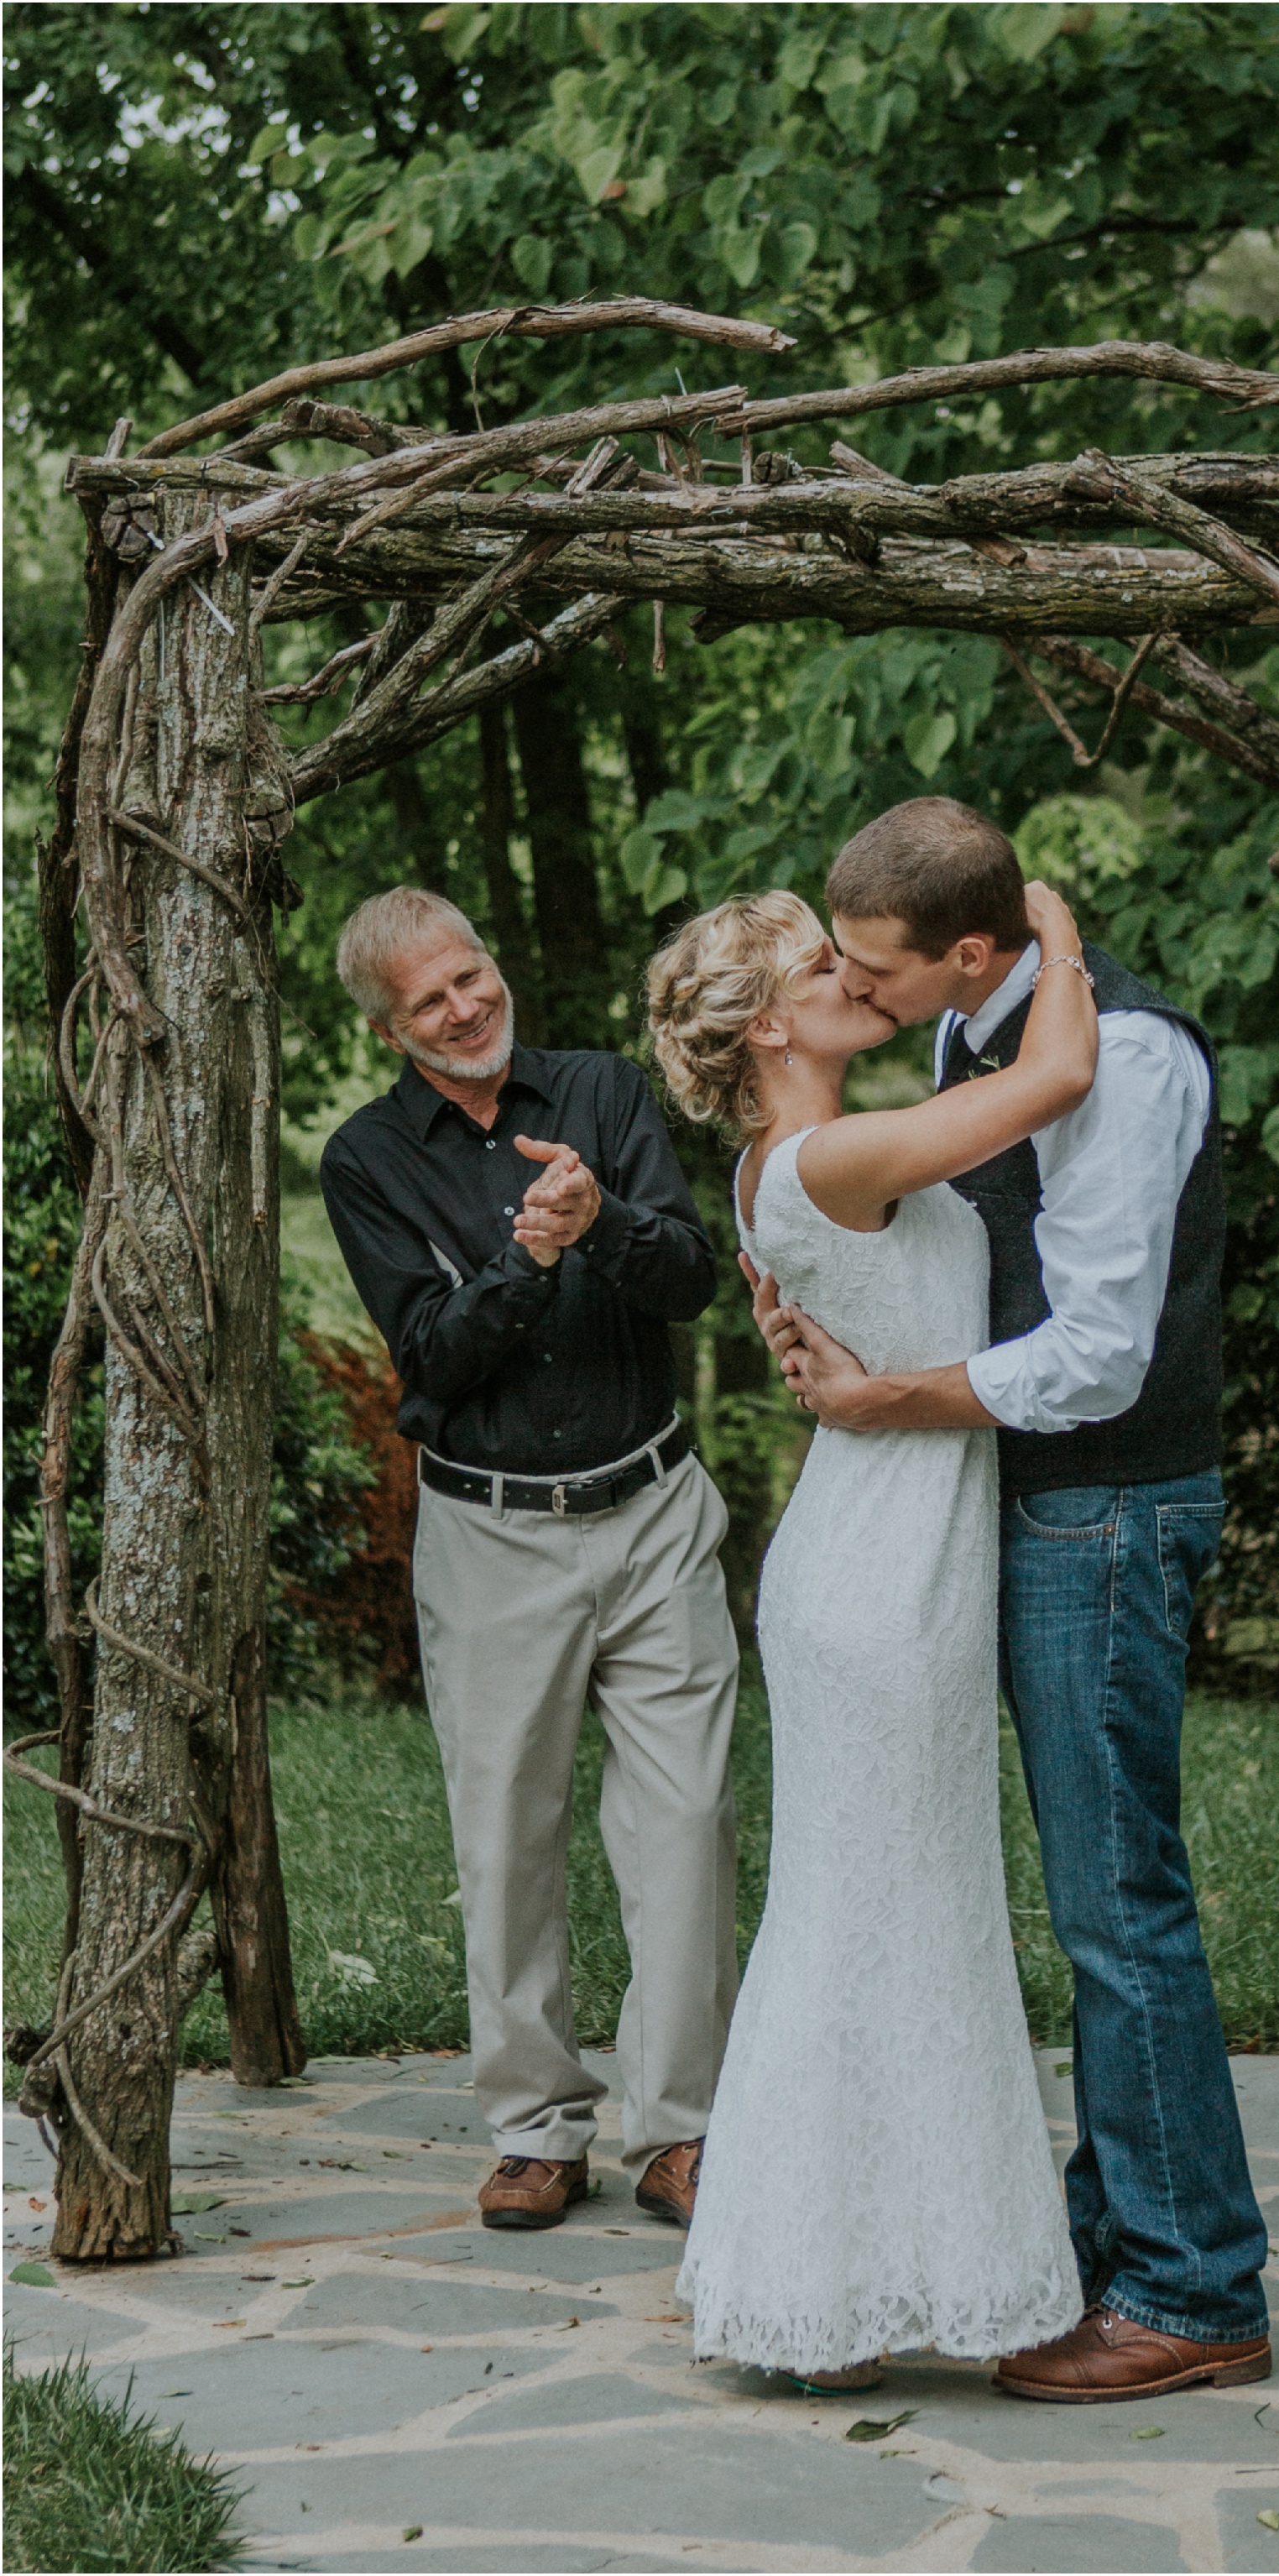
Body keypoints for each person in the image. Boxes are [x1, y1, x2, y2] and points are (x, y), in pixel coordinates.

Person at [755, 797, 1271, 2404]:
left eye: (873, 962)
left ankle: (1197, 2288)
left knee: (1119, 1906)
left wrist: (888, 1398)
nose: (851, 979)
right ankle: (1122, 2237)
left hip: (1108, 1503)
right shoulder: (984, 1028)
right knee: (1091, 1899)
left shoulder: (1116, 1051)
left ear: (967, 951)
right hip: (1035, 1503)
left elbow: (1100, 1351)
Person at [645, 879, 1096, 2391]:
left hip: (888, 1547)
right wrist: (1054, 927)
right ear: (770, 1024)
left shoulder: (797, 1158)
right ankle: (824, 2279)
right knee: (880, 1924)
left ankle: (844, 2272)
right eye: (817, 963)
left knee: (887, 1919)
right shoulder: (828, 1152)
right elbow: (1058, 1077)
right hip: (881, 1578)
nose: (852, 973)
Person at [320, 886, 739, 2238]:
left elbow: (687, 1274)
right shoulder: (368, 1159)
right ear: (392, 1025)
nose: (468, 1003)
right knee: (507, 1833)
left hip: (655, 1505)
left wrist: (599, 1219)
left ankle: (681, 2127)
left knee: (685, 1823)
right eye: (432, 996)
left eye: (475, 972)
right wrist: (527, 1252)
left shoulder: (607, 1091)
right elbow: (430, 1356)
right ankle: (535, 2126)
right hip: (492, 1531)